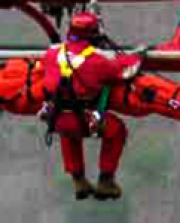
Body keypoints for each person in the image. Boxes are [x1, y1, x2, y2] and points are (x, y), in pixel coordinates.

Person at [40, 11, 141, 201]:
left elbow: (46, 69)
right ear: (94, 34)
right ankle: (106, 181)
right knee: (117, 130)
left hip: (57, 119)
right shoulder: (96, 61)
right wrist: (137, 56)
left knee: (68, 131)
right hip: (85, 119)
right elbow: (126, 71)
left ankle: (79, 180)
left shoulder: (52, 53)